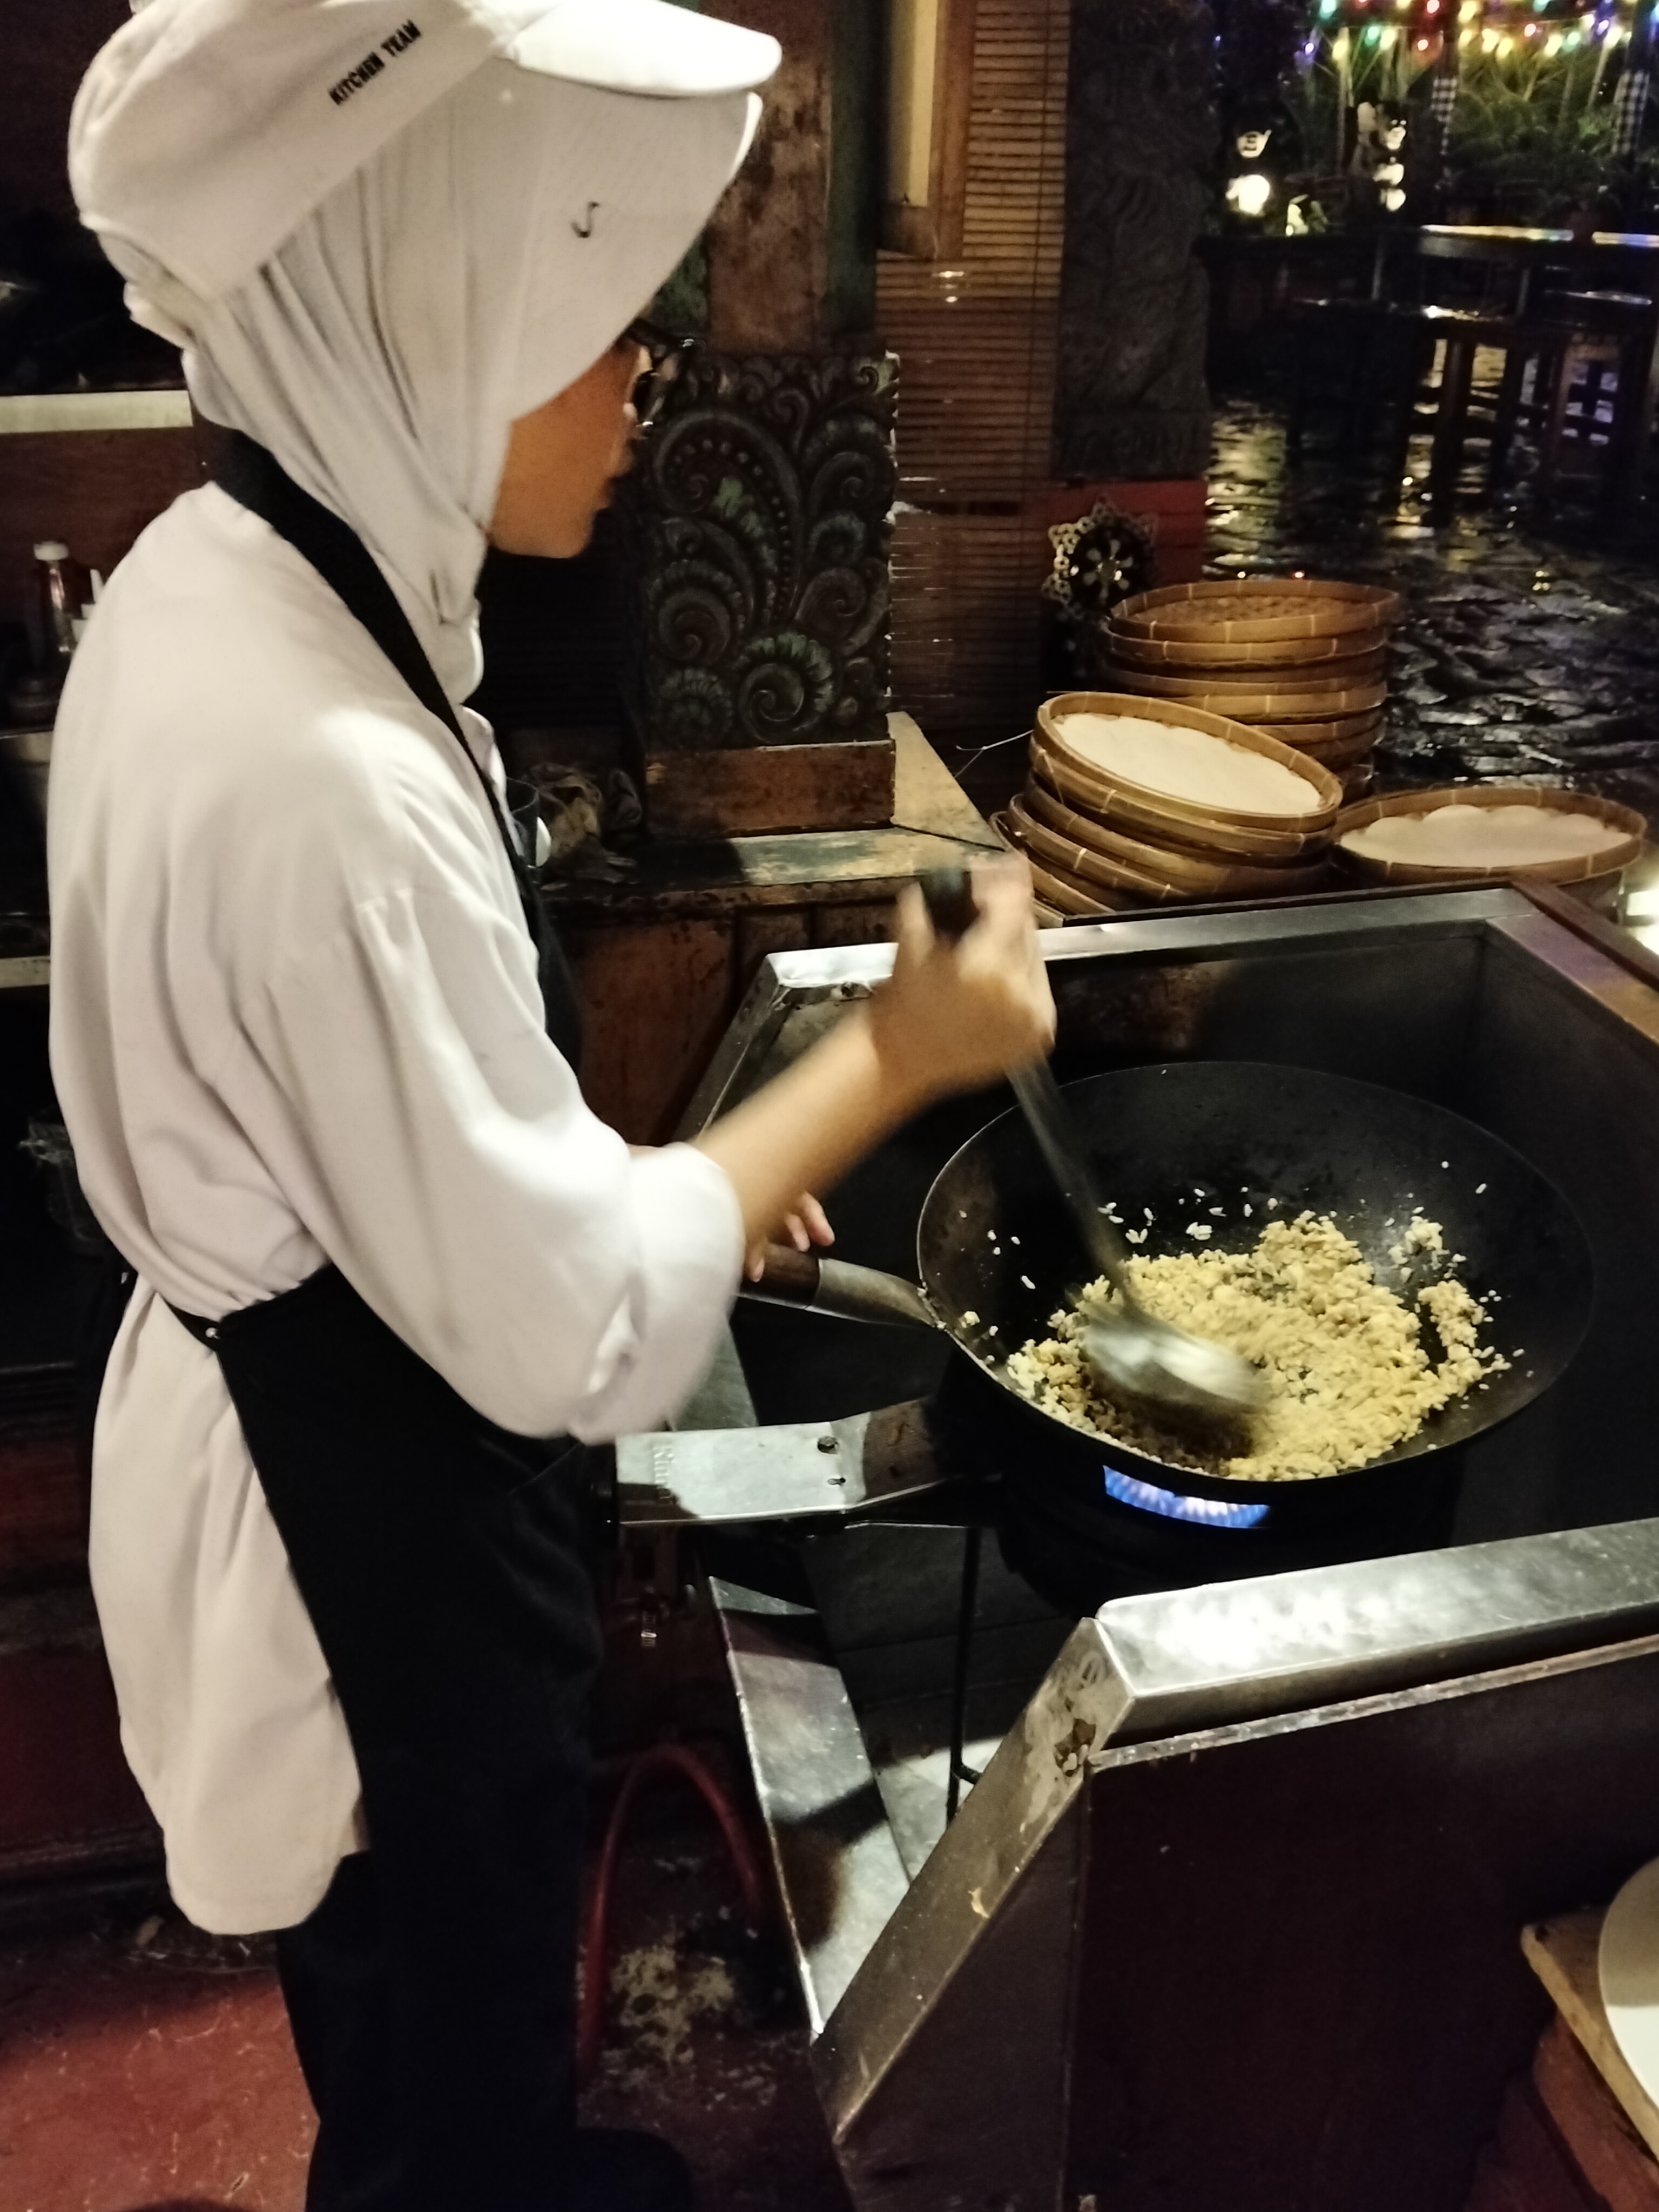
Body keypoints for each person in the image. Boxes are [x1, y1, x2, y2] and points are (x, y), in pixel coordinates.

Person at [50, 2, 1056, 2207]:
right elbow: (574, 1325)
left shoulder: (234, 574)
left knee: (435, 2007)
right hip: (358, 1525)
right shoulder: (319, 769)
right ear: (427, 317)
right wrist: (894, 1056)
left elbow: (384, 1124)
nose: (639, 392)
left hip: (345, 1425)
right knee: (434, 2052)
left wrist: (622, 1173)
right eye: (592, 334)